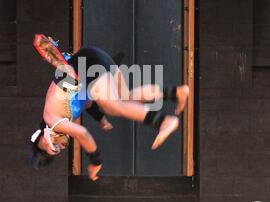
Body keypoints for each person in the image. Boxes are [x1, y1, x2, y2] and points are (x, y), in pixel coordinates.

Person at [30, 34, 189, 181]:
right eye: (58, 150)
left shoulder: (52, 121)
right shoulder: (65, 115)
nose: (59, 146)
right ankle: (176, 93)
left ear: (44, 138)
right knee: (126, 97)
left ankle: (163, 122)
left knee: (113, 106)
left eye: (51, 146)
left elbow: (83, 134)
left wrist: (96, 162)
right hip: (94, 60)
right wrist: (100, 119)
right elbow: (88, 103)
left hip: (87, 64)